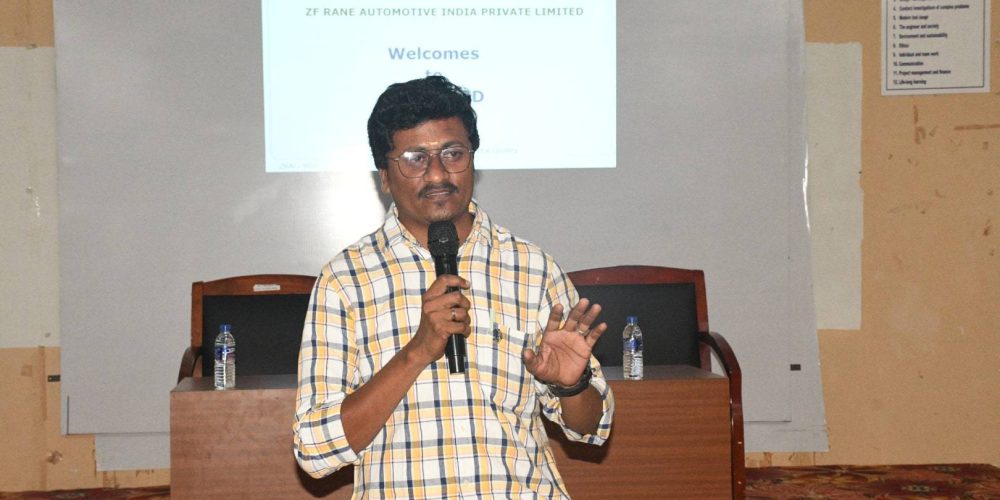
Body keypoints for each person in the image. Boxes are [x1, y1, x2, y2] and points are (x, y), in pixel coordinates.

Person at [293, 75, 614, 499]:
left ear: (473, 161)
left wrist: (570, 386)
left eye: (453, 154)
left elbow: (591, 427)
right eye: (415, 158)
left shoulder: (532, 267)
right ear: (385, 177)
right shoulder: (346, 280)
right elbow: (315, 451)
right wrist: (417, 351)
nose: (438, 174)